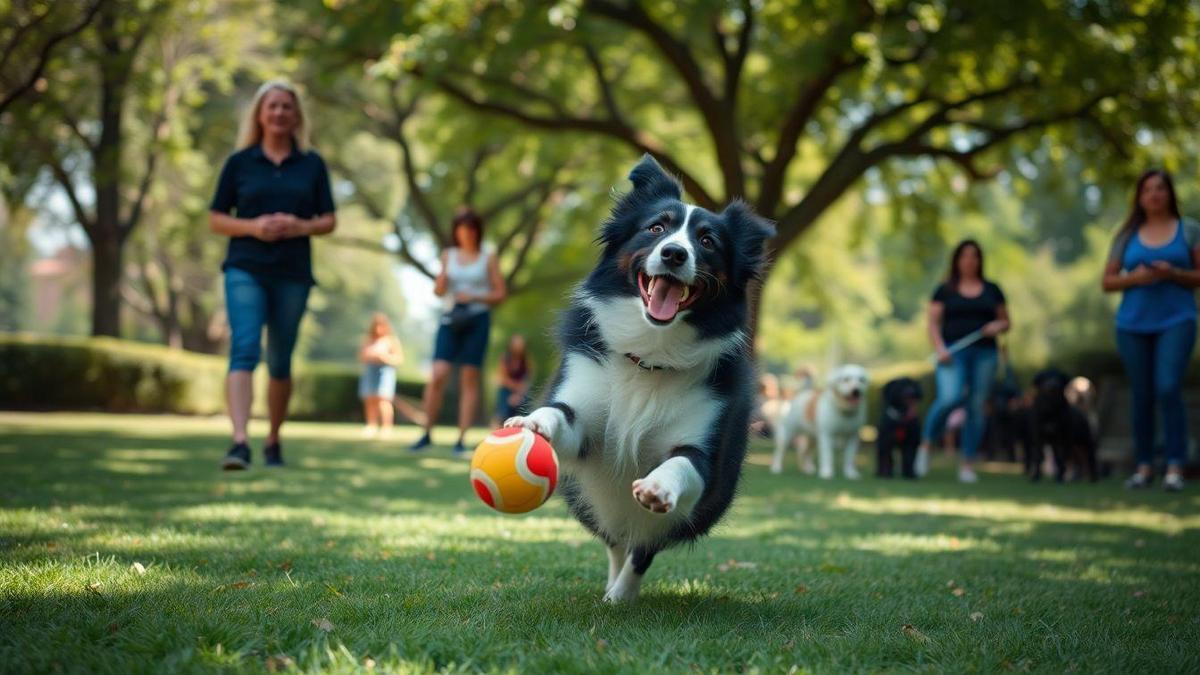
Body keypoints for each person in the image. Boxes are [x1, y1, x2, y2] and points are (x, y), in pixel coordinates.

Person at [209, 80, 336, 470]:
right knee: (245, 346)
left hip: (292, 273)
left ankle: (274, 439)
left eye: (286, 107)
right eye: (272, 106)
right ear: (260, 114)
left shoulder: (312, 164)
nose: (279, 113)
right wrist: (253, 227)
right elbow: (216, 218)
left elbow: (329, 220)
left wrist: (299, 226)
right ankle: (240, 441)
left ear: (296, 116)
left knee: (280, 359)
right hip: (245, 266)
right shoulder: (240, 162)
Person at [1101, 169, 1200, 492]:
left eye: (1160, 188)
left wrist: (1173, 272)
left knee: (1168, 387)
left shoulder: (1189, 231)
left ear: (1170, 193)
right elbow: (1108, 281)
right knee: (1141, 394)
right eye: (1147, 190)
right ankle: (1143, 465)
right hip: (1132, 323)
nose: (1154, 194)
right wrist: (1136, 279)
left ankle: (1174, 465)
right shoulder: (1126, 236)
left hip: (1177, 319)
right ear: (1140, 197)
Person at [409, 208, 507, 456]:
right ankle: (426, 433)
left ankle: (460, 440)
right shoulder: (448, 255)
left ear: (477, 231)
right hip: (450, 319)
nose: (466, 234)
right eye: (461, 229)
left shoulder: (488, 255)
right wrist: (441, 281)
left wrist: (474, 296)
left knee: (469, 377)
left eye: (471, 229)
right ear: (456, 231)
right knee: (438, 374)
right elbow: (438, 292)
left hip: (477, 319)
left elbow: (499, 293)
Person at [916, 240, 1010, 483]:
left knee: (977, 406)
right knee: (950, 397)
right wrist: (940, 348)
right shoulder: (945, 290)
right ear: (957, 260)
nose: (970, 261)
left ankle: (967, 463)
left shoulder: (992, 290)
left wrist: (997, 326)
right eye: (965, 256)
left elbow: (1006, 321)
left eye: (974, 256)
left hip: (985, 353)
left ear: (980, 260)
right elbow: (933, 323)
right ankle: (926, 444)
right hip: (953, 352)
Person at [359, 313, 404, 439]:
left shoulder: (391, 340)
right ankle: (371, 425)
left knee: (383, 400)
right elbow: (361, 356)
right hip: (370, 370)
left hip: (385, 372)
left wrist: (385, 358)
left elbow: (399, 359)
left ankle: (386, 427)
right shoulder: (368, 340)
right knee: (370, 399)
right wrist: (370, 355)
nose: (378, 329)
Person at [493, 334, 534, 426]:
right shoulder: (505, 358)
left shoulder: (526, 360)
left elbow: (528, 379)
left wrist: (518, 394)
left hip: (521, 390)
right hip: (506, 389)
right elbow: (502, 378)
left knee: (526, 407)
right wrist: (514, 391)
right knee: (502, 412)